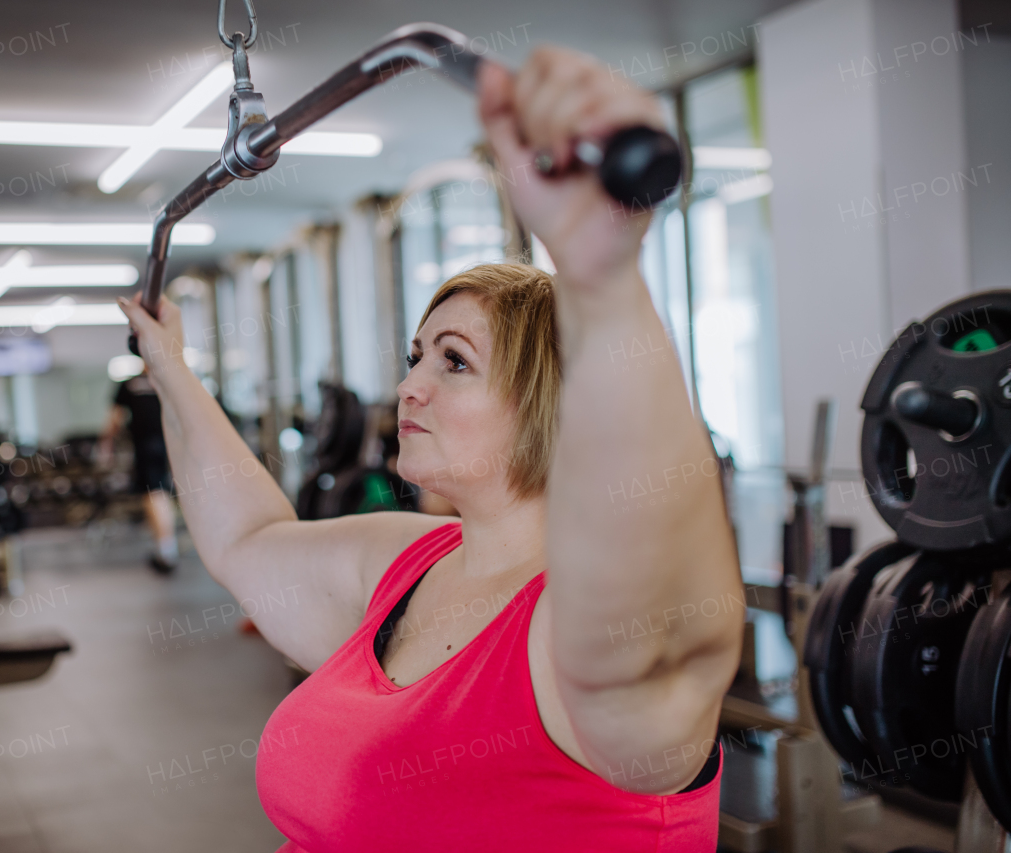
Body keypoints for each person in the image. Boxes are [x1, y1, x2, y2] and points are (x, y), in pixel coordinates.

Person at [118, 46, 741, 851]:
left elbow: (674, 628)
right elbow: (248, 541)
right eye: (417, 356)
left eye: (454, 362)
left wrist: (602, 276)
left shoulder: (576, 625)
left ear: (549, 401)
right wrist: (170, 369)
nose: (410, 387)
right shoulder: (413, 563)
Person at [99, 364, 180, 574]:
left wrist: (106, 445)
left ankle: (166, 549)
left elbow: (114, 420)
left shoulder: (134, 383)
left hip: (150, 447)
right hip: (168, 446)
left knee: (155, 494)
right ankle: (165, 546)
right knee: (159, 494)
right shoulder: (169, 382)